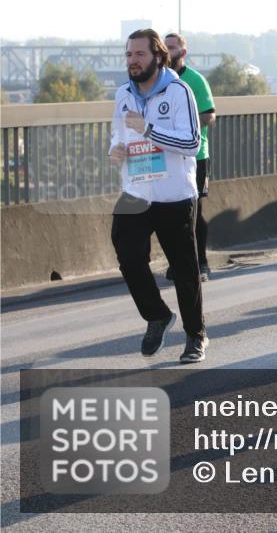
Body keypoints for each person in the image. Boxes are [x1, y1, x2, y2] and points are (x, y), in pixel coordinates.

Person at [108, 29, 207, 363]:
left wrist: (148, 129)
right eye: (129, 55)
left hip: (173, 193)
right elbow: (117, 133)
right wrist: (115, 149)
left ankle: (195, 335)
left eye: (140, 54)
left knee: (184, 269)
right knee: (127, 252)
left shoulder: (179, 92)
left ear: (158, 57)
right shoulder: (123, 93)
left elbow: (191, 143)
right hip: (136, 190)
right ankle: (158, 315)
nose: (133, 61)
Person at [164, 33, 216, 282]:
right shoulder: (159, 80)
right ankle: (179, 263)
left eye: (171, 48)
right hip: (166, 154)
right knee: (168, 212)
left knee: (194, 211)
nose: (166, 51)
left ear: (182, 53)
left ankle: (201, 263)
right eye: (163, 47)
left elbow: (210, 116)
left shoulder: (195, 80)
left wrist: (185, 125)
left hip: (195, 155)